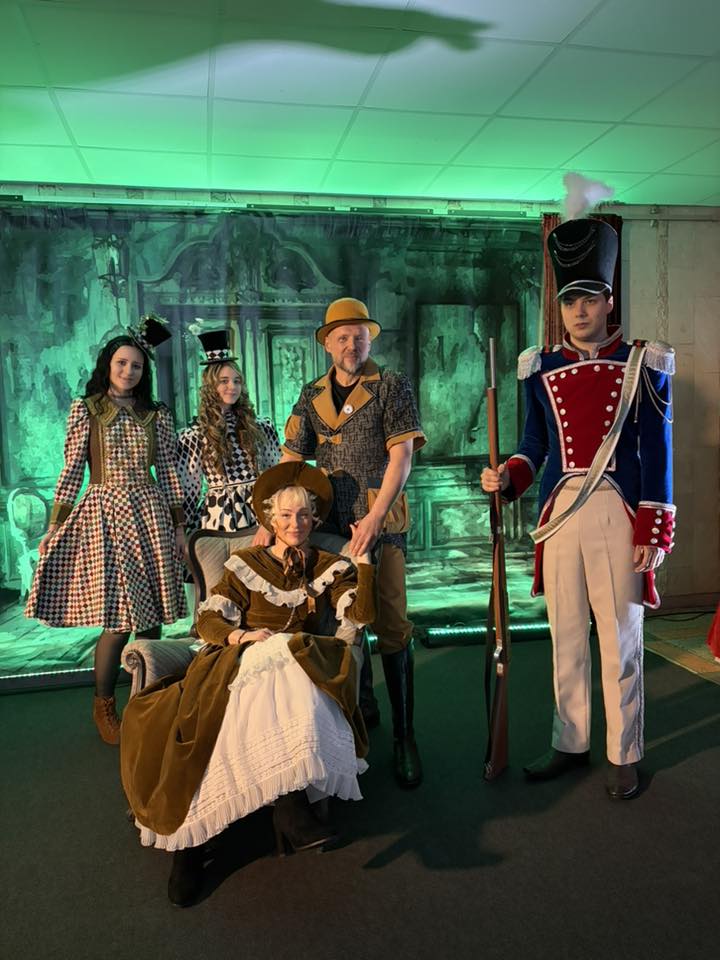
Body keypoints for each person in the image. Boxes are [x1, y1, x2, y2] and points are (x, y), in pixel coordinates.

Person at [481, 218, 676, 800]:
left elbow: (656, 450)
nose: (580, 311)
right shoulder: (540, 367)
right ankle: (570, 741)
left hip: (618, 509)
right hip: (561, 511)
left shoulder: (644, 362)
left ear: (609, 301)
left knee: (619, 639)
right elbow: (534, 445)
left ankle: (624, 752)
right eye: (570, 301)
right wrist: (508, 477)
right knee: (565, 634)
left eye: (590, 298)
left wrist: (653, 528)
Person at [121, 461, 374, 907]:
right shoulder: (246, 564)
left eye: (304, 515)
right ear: (270, 519)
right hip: (236, 661)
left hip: (296, 662)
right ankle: (191, 843)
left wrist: (365, 565)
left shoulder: (331, 566)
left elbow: (361, 617)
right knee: (220, 717)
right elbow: (208, 620)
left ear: (314, 519)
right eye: (286, 515)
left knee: (287, 655)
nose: (295, 524)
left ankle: (286, 808)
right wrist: (242, 636)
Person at [281, 297, 426, 789]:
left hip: (380, 522)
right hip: (329, 523)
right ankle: (361, 712)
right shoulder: (311, 394)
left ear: (369, 340)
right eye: (342, 337)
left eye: (359, 336)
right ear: (327, 343)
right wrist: (273, 518)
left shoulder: (391, 386)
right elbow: (292, 460)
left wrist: (376, 517)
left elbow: (402, 457)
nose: (351, 344)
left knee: (392, 623)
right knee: (344, 619)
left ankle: (405, 736)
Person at [25, 316, 187, 744]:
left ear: (144, 371)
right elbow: (71, 470)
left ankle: (148, 704)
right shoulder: (88, 409)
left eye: (136, 365)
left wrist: (179, 528)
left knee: (152, 620)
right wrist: (54, 525)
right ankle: (104, 707)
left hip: (149, 513)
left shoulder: (156, 414)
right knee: (118, 619)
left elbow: (169, 471)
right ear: (108, 364)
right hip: (106, 515)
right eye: (122, 363)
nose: (128, 371)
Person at [176, 329, 280, 536]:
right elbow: (189, 489)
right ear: (210, 385)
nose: (232, 387)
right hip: (221, 515)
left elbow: (276, 474)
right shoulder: (193, 436)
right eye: (224, 381)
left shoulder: (261, 427)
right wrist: (181, 530)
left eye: (237, 381)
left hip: (260, 512)